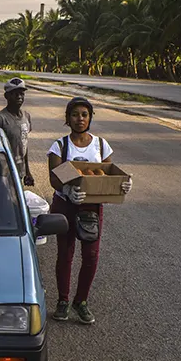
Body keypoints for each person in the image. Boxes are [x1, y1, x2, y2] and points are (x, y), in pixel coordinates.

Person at [47, 97, 132, 324]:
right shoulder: (61, 146)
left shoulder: (101, 145)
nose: (80, 119)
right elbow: (54, 178)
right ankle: (63, 301)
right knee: (65, 254)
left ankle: (81, 301)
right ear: (68, 118)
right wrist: (67, 188)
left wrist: (122, 185)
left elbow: (108, 174)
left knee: (91, 256)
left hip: (91, 208)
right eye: (75, 114)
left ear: (90, 117)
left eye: (84, 114)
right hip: (65, 205)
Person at [0, 78, 34, 187]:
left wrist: (27, 171)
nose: (19, 97)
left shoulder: (26, 116)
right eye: (15, 94)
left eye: (21, 94)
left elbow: (24, 144)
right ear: (7, 96)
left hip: (19, 171)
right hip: (3, 173)